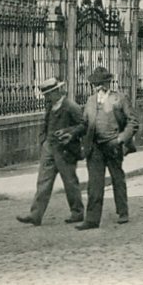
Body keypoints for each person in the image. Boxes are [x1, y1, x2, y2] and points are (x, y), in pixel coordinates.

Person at [65, 66, 139, 230]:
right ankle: (92, 219)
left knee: (117, 179)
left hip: (113, 144)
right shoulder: (91, 101)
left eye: (102, 83)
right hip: (95, 147)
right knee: (95, 184)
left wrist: (121, 139)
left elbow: (133, 122)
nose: (99, 87)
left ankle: (123, 212)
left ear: (108, 82)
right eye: (96, 84)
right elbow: (85, 124)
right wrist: (72, 134)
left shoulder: (119, 98)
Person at [17, 78, 84, 226]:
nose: (46, 98)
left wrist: (68, 132)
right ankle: (35, 215)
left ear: (56, 92)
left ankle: (77, 213)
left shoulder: (71, 106)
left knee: (70, 182)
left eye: (48, 94)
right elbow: (45, 125)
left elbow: (83, 125)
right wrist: (44, 141)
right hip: (49, 149)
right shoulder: (50, 106)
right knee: (43, 182)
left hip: (66, 151)